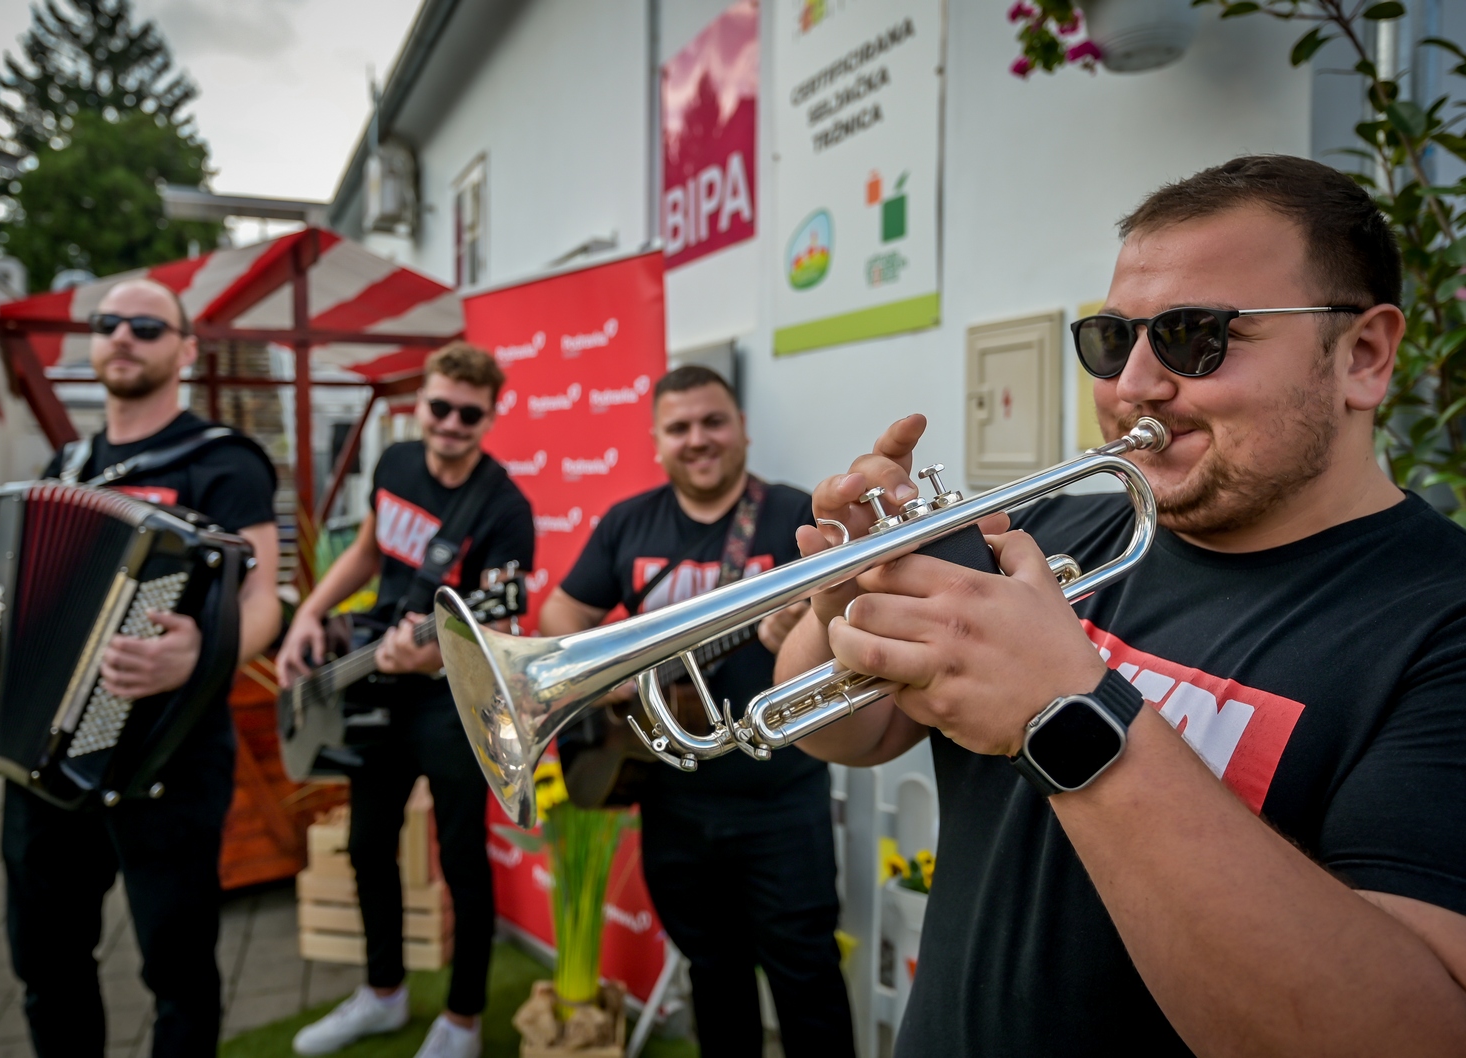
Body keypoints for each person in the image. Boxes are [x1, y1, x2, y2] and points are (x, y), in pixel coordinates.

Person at [779, 155, 1466, 1056]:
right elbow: (842, 735)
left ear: (1363, 356)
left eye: (1194, 336)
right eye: (1112, 340)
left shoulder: (1439, 625)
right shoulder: (1054, 532)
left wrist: (1063, 714)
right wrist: (845, 593)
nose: (1132, 386)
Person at [0, 278, 282, 1057]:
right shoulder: (71, 463)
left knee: (179, 968)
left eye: (148, 327)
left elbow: (265, 601)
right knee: (47, 962)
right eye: (109, 323)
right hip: (51, 757)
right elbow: (19, 578)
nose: (124, 336)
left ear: (186, 350)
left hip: (170, 757)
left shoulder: (225, 464)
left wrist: (203, 648)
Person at [538, 365, 855, 1058]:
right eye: (679, 428)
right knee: (713, 977)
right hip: (669, 798)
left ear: (741, 429)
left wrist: (805, 630)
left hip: (780, 797)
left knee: (807, 978)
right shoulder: (628, 523)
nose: (698, 439)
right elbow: (561, 612)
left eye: (713, 422)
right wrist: (606, 673)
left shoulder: (798, 517)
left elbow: (854, 619)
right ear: (657, 441)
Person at [278, 342, 534, 1058]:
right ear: (420, 404)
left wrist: (432, 652)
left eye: (469, 413)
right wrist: (308, 610)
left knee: (460, 857)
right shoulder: (393, 466)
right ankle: (383, 993)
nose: (451, 422)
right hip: (374, 683)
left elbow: (502, 624)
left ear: (490, 416)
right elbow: (368, 549)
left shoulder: (506, 507)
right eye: (440, 406)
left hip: (450, 700)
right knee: (367, 843)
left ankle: (463, 1019)